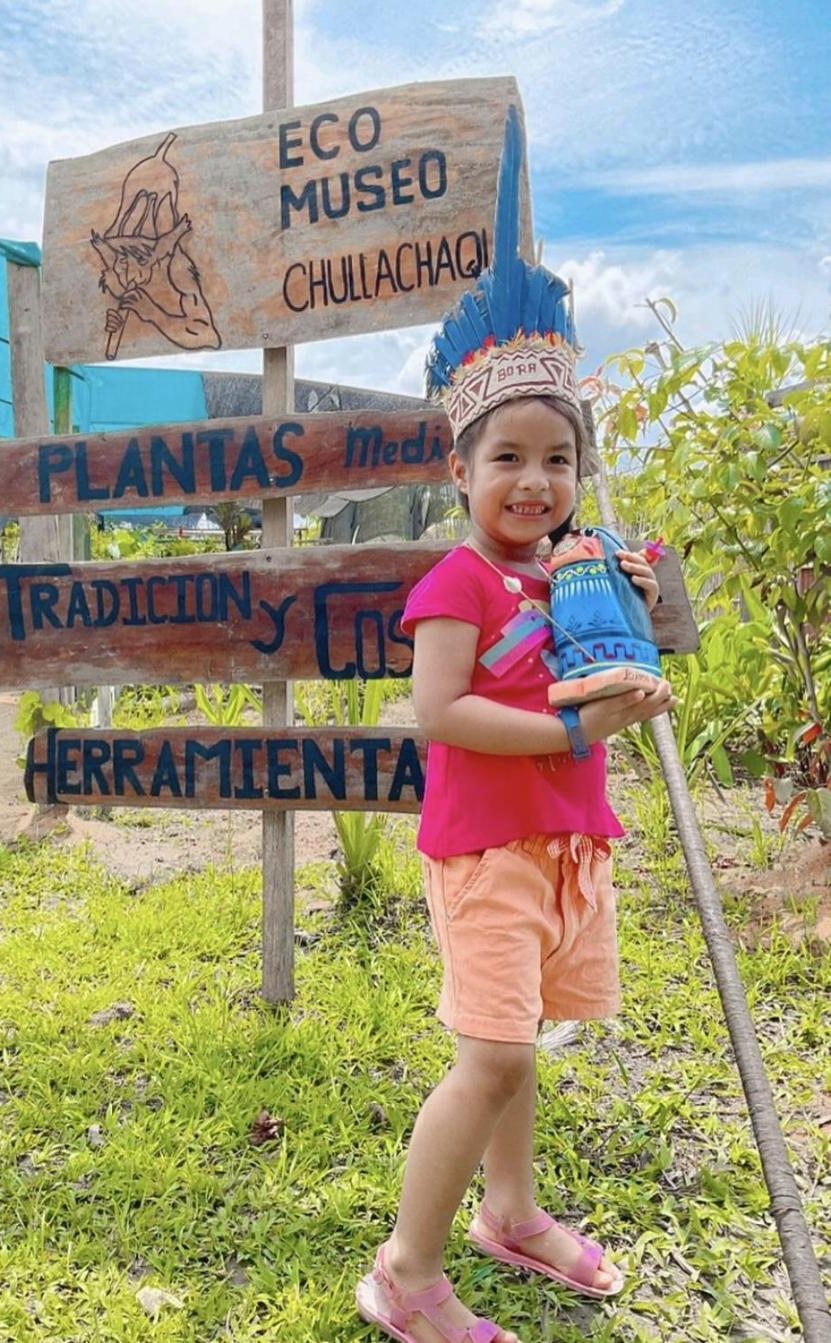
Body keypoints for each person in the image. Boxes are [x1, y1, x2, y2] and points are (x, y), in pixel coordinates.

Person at [355, 108, 677, 1343]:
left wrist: (622, 615)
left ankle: (511, 1207)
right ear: (461, 470)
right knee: (487, 1055)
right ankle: (406, 1267)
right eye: (507, 458)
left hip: (561, 846)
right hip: (488, 850)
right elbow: (440, 711)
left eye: (556, 459)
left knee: (520, 1040)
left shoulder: (563, 573)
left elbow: (600, 655)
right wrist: (573, 728)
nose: (533, 483)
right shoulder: (459, 582)